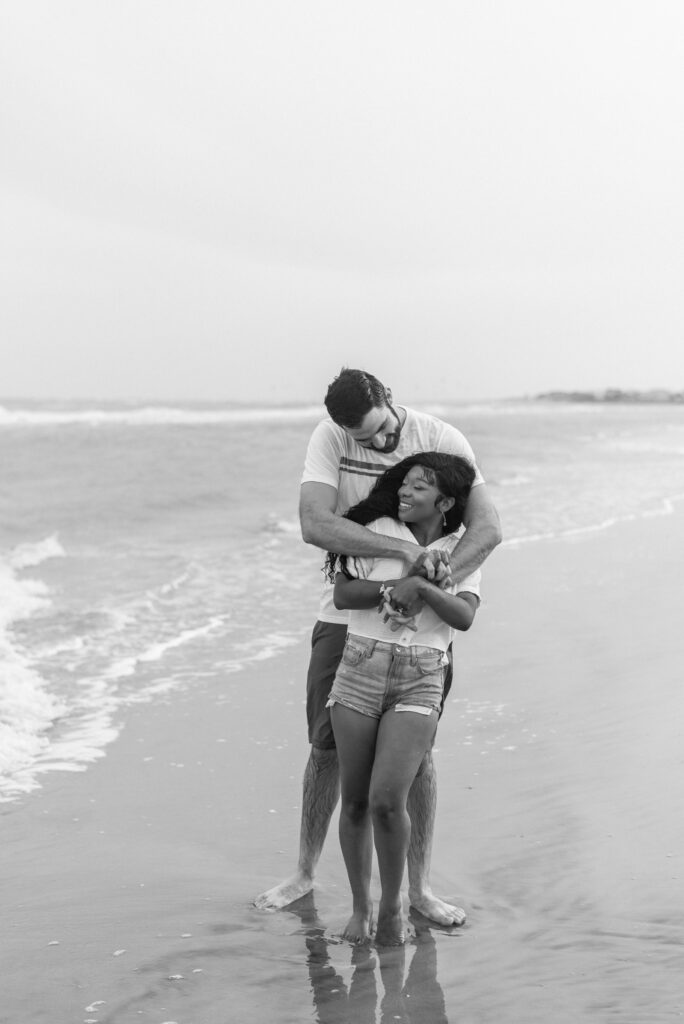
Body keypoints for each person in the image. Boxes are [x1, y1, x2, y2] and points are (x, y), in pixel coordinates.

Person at [254, 368, 501, 923]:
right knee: (325, 749)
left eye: (381, 433)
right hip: (345, 618)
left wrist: (427, 587)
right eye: (363, 440)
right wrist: (404, 560)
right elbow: (314, 524)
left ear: (390, 401)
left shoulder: (441, 439)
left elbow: (487, 531)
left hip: (421, 635)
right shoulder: (332, 437)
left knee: (417, 757)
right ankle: (304, 872)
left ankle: (420, 888)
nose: (376, 446)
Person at [326, 452, 480, 945]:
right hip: (359, 667)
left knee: (388, 802)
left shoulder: (460, 549)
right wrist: (407, 579)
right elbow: (344, 597)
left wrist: (422, 590)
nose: (405, 493)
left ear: (446, 501)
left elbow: (464, 616)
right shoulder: (377, 529)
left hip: (421, 676)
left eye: (419, 487)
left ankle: (393, 904)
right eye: (405, 484)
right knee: (353, 802)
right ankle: (359, 908)